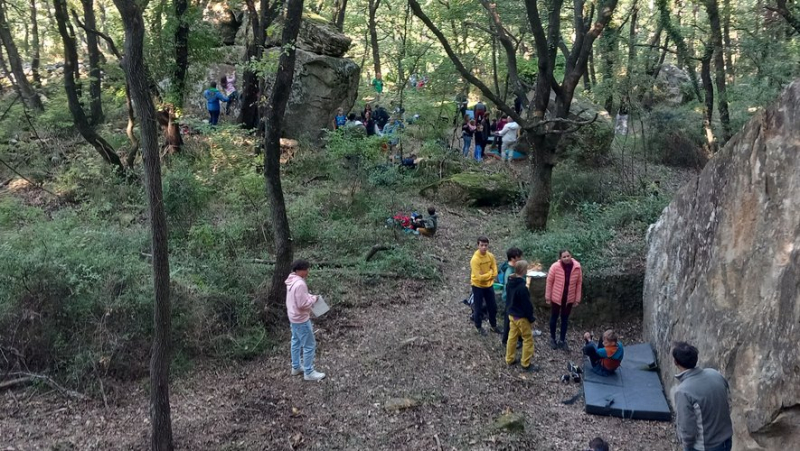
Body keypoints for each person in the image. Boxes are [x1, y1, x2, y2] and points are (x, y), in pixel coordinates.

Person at [671, 342, 733, 451]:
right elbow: (728, 402)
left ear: (676, 362)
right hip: (726, 441)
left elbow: (688, 429)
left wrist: (687, 447)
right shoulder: (715, 374)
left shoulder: (683, 391)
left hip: (705, 446)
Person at [286, 260, 326, 381]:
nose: (307, 271)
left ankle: (296, 367)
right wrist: (314, 300)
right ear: (299, 270)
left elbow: (301, 297)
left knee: (296, 341)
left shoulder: (291, 280)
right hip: (301, 319)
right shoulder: (300, 284)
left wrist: (312, 297)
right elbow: (302, 304)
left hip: (293, 317)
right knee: (309, 345)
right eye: (306, 269)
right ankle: (309, 372)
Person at [545, 249, 583, 350]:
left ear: (571, 256)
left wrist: (577, 298)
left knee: (565, 320)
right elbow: (549, 282)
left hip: (569, 298)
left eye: (568, 256)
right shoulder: (555, 267)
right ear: (560, 258)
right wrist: (548, 297)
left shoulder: (577, 267)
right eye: (564, 257)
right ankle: (552, 338)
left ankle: (562, 340)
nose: (566, 258)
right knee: (554, 318)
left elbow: (579, 283)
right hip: (556, 298)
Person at [505, 260, 538, 372]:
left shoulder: (510, 281)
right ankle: (526, 363)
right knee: (527, 339)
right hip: (521, 317)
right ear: (524, 271)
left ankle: (509, 359)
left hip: (511, 315)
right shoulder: (522, 288)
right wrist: (531, 319)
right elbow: (526, 305)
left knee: (512, 337)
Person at [470, 236, 500, 335]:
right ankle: (478, 327)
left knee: (493, 307)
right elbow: (479, 277)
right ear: (478, 245)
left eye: (486, 245)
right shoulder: (475, 260)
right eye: (481, 245)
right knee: (478, 308)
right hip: (477, 286)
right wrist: (490, 274)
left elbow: (495, 270)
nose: (484, 247)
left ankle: (493, 326)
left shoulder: (490, 256)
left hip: (489, 285)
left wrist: (488, 274)